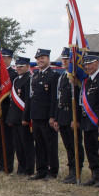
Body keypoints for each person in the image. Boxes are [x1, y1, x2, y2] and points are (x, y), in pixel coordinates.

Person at [78, 51, 99, 186]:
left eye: (90, 63)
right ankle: (95, 174)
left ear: (97, 63)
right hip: (87, 122)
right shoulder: (86, 81)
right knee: (90, 149)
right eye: (86, 63)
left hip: (97, 122)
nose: (88, 66)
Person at [25, 49, 59, 180]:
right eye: (38, 58)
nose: (40, 60)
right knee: (39, 145)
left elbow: (54, 98)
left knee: (50, 145)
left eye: (43, 58)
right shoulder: (35, 76)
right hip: (36, 116)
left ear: (48, 59)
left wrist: (52, 116)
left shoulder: (53, 75)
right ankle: (41, 170)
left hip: (47, 117)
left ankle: (52, 171)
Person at [56, 48, 84, 183]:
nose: (65, 61)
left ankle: (76, 170)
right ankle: (71, 169)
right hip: (62, 115)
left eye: (67, 59)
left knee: (75, 145)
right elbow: (59, 99)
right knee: (68, 146)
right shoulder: (62, 77)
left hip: (72, 116)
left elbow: (79, 100)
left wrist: (77, 118)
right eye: (63, 59)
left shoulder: (76, 78)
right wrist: (56, 118)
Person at [7, 56, 35, 175]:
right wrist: (11, 118)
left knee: (26, 144)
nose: (18, 68)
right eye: (17, 66)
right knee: (18, 145)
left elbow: (28, 101)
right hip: (16, 117)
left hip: (23, 117)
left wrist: (26, 117)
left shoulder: (29, 79)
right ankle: (21, 167)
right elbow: (13, 101)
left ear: (28, 67)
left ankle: (28, 169)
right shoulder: (16, 80)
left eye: (21, 66)